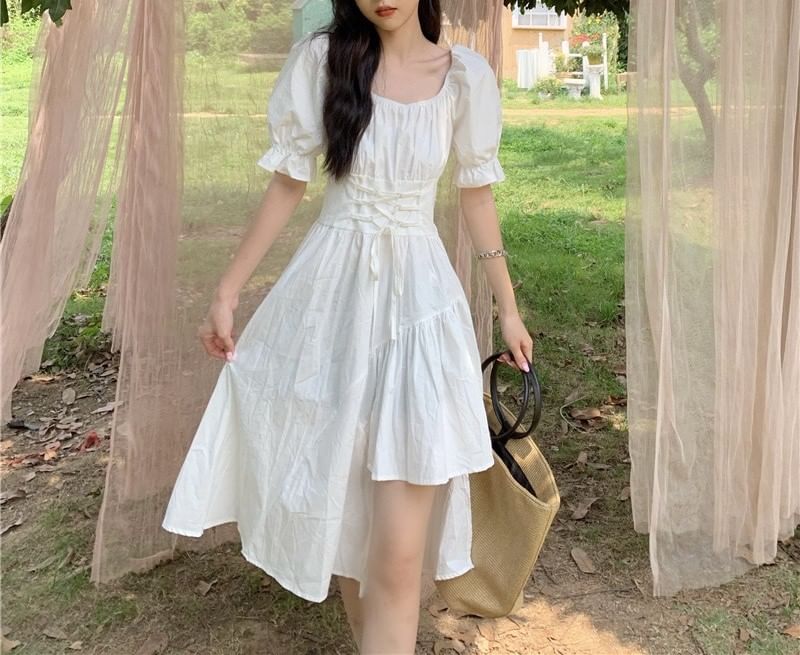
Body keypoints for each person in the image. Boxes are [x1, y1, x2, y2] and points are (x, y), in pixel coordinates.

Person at [161, 0, 534, 652]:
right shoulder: (324, 62)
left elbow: (477, 194)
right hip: (330, 304)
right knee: (351, 517)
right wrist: (227, 290)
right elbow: (288, 182)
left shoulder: (464, 77)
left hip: (419, 312)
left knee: (398, 556)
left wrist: (508, 307)